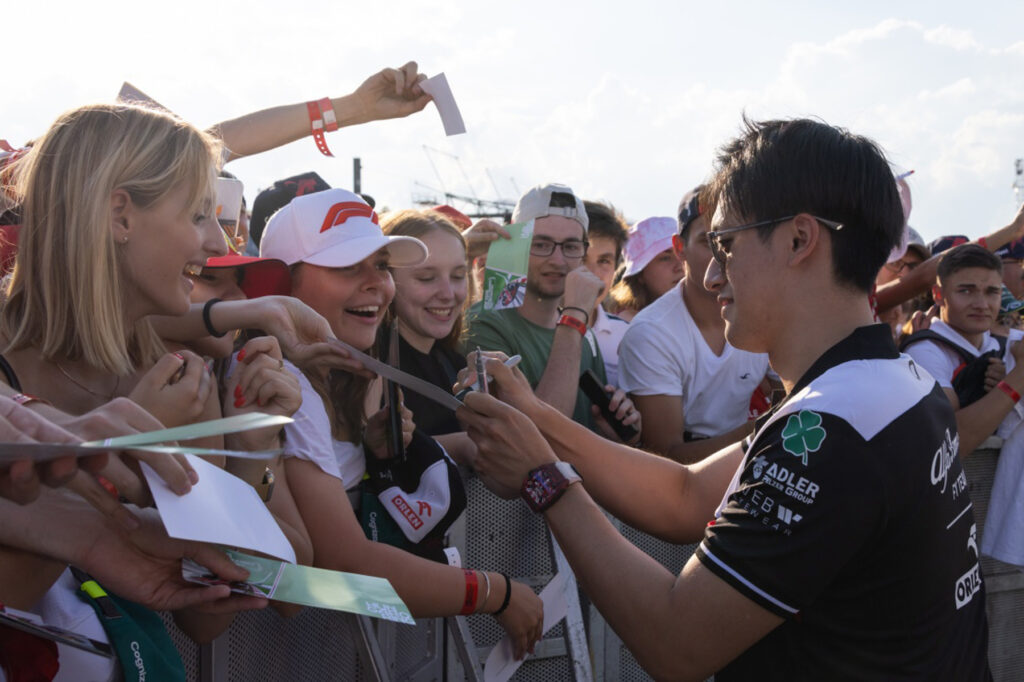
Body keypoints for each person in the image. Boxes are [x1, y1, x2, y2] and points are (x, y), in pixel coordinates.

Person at [457, 117, 990, 680]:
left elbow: (676, 643)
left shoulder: (836, 426)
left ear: (799, 240)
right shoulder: (886, 383)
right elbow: (685, 497)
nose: (711, 276)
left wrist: (545, 477)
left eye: (726, 244)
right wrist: (537, 419)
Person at [259, 188, 544, 659]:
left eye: (382, 266)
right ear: (282, 284)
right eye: (348, 266)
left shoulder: (357, 377)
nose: (375, 284)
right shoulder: (285, 383)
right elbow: (342, 565)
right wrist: (493, 593)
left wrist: (381, 458)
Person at [617, 186, 770, 463]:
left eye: (731, 238)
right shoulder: (652, 334)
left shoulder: (766, 312)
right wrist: (760, 431)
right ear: (679, 249)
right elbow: (667, 457)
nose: (721, 253)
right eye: (708, 240)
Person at [465, 183, 620, 431]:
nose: (557, 260)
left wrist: (618, 432)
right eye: (540, 244)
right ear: (515, 245)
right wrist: (574, 319)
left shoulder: (585, 335)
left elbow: (587, 436)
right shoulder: (483, 322)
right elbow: (540, 434)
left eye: (570, 247)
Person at [901, 243, 1024, 457]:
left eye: (992, 292)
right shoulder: (923, 352)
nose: (981, 304)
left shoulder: (1008, 346)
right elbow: (947, 445)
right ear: (938, 294)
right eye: (966, 291)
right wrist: (1015, 381)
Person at [381, 209, 469, 437]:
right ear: (386, 279)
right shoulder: (371, 370)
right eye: (427, 278)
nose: (448, 293)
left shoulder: (455, 362)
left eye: (458, 275)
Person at [582, 201, 630, 387]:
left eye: (604, 261)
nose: (592, 273)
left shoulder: (628, 336)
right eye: (581, 258)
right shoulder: (536, 331)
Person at [608, 215, 684, 321]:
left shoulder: (708, 312)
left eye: (683, 254)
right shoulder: (625, 327)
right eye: (665, 258)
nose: (680, 266)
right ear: (640, 275)